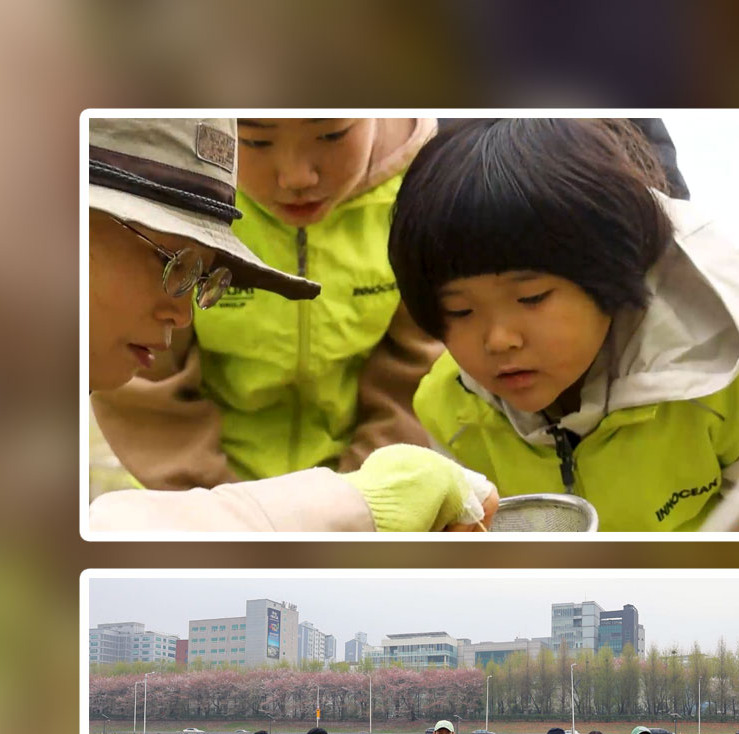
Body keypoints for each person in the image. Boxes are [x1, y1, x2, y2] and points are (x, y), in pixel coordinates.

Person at [389, 118, 739, 532]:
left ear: (610, 270)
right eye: (460, 311)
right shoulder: (453, 412)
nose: (499, 340)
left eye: (532, 298)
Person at [84, 117, 496, 532]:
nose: (297, 177)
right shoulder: (180, 173)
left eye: (331, 134)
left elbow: (411, 372)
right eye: (256, 141)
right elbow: (151, 394)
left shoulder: (422, 194)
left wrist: (361, 503)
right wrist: (235, 519)